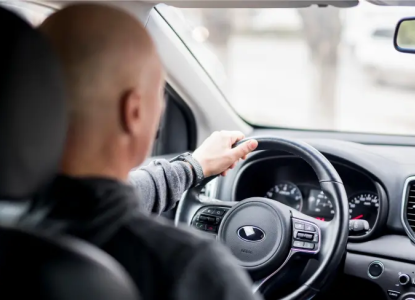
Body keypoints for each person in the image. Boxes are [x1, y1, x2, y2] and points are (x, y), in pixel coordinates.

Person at [18, 3, 262, 300]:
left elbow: (94, 198)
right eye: (159, 96)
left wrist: (193, 167)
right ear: (133, 111)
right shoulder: (189, 268)